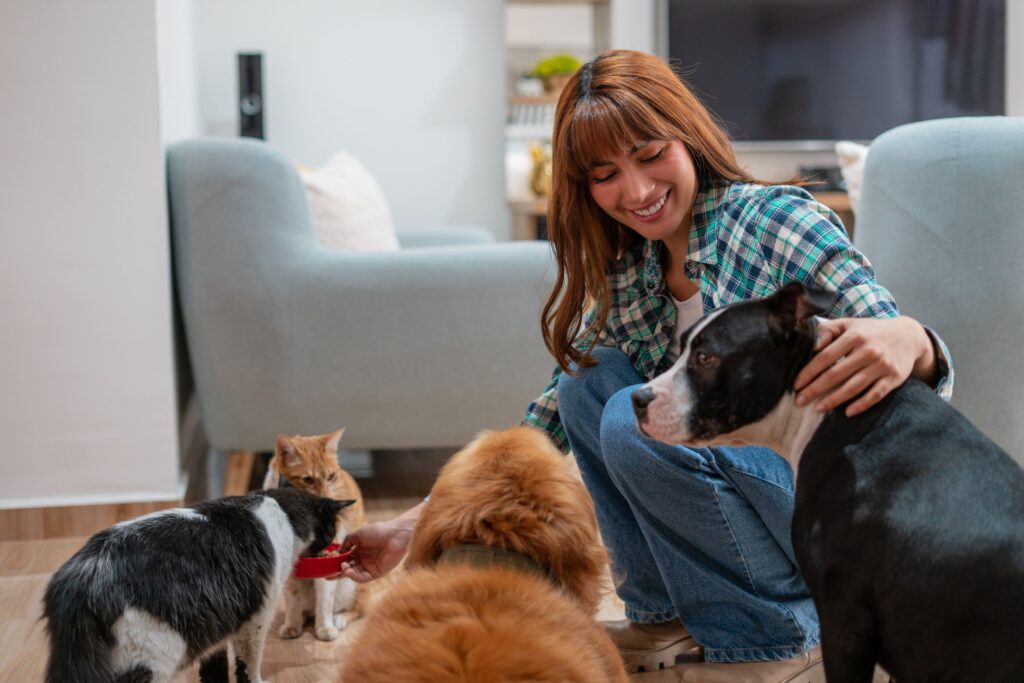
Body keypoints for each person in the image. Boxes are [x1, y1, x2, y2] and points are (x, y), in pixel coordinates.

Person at [339, 50, 953, 680]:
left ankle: (777, 634)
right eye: (605, 173)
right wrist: (414, 527)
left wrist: (913, 338)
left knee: (630, 420)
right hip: (751, 504)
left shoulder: (776, 221)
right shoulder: (633, 269)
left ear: (685, 135)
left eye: (650, 154)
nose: (634, 191)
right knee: (588, 382)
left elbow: (891, 347)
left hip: (827, 516)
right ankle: (665, 614)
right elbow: (547, 422)